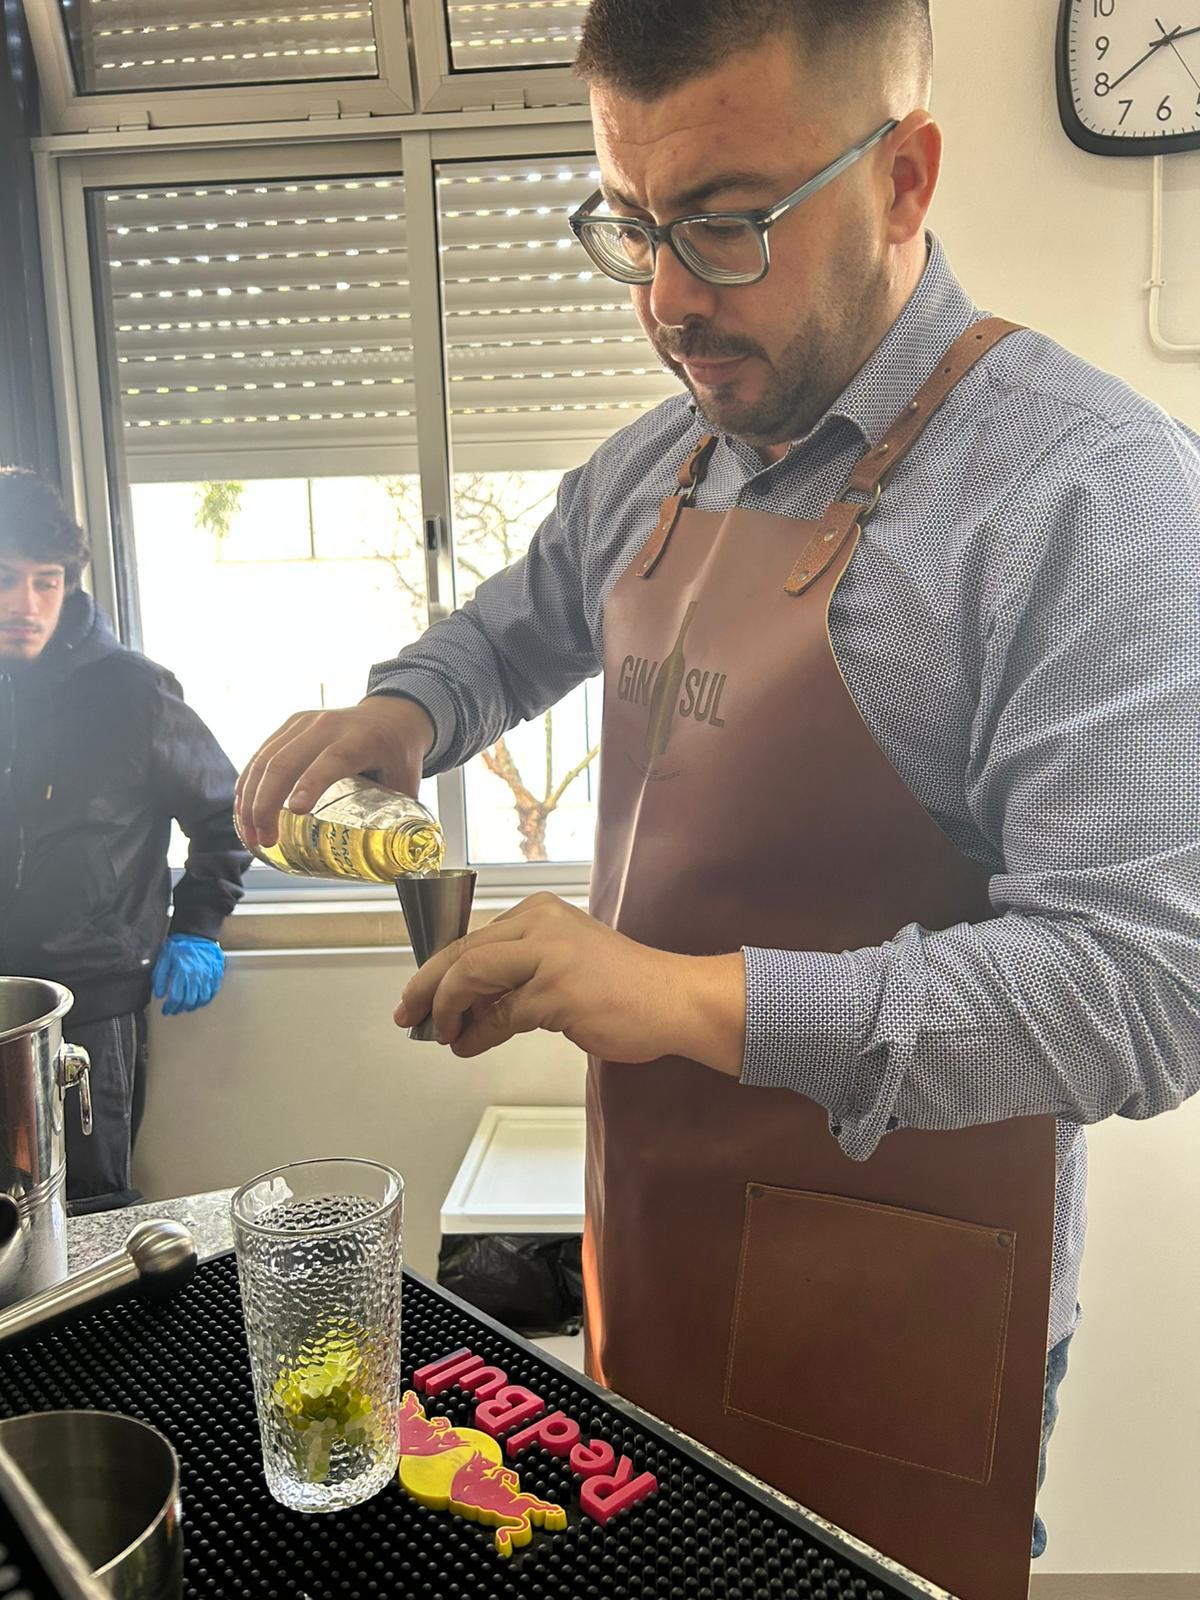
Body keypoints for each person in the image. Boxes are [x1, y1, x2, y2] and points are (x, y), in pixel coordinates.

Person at [236, 0, 1200, 1587]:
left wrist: (682, 997)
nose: (670, 298)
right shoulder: (661, 462)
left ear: (903, 178)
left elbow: (1143, 996)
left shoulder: (1088, 492)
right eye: (633, 225)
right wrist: (408, 709)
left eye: (729, 223)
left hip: (905, 1314)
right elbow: (519, 622)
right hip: (653, 1241)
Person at [0, 468, 249, 1214]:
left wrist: (197, 926)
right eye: (7, 580)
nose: (27, 605)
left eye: (46, 582)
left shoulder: (134, 692)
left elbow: (228, 815)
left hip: (88, 1008)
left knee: (80, 1216)